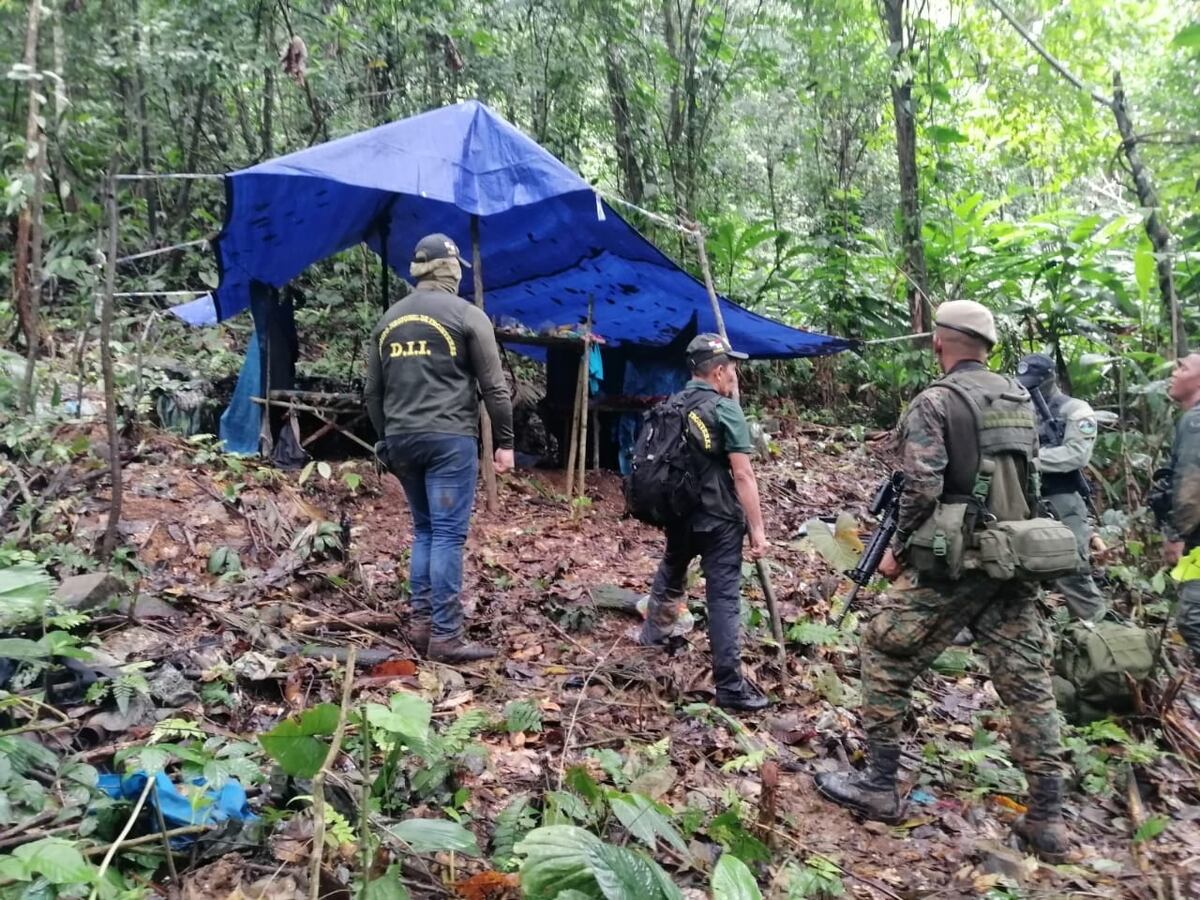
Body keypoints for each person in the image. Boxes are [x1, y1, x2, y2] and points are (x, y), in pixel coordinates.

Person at [814, 301, 1069, 862]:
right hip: (1015, 557)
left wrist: (897, 553)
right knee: (1028, 683)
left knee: (883, 648)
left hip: (957, 560)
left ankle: (880, 786)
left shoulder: (936, 401)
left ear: (939, 342)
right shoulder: (1018, 397)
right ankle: (1048, 820)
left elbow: (922, 487)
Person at [365, 233, 514, 663]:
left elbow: (372, 393)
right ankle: (446, 637)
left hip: (401, 439)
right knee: (447, 534)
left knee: (426, 531)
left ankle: (421, 623)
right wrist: (504, 443)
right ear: (450, 270)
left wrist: (384, 439)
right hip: (450, 441)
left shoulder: (387, 320)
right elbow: (495, 389)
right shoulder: (468, 315)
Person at [637, 333, 770, 713]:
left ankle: (653, 638)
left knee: (672, 571)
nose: (735, 376)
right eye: (732, 369)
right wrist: (758, 530)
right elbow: (742, 475)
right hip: (719, 519)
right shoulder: (725, 410)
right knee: (724, 599)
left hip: (679, 513)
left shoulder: (672, 404)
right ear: (717, 372)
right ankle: (729, 685)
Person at [1015, 353, 1105, 621]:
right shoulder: (1019, 407)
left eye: (1034, 383)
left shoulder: (1076, 410)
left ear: (1050, 379)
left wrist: (1032, 461)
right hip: (1024, 498)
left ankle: (1100, 635)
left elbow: (1077, 454)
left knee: (1071, 568)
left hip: (1062, 498)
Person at [1163, 353, 1200, 660]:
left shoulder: (1196, 422)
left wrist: (1176, 534)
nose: (1174, 372)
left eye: (1182, 367)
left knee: (1193, 619)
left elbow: (1190, 484)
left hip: (1196, 539)